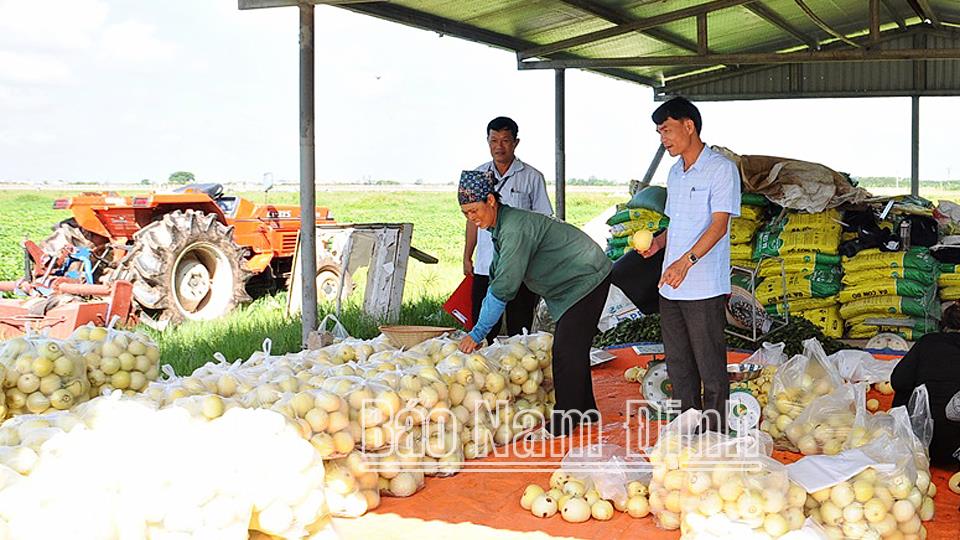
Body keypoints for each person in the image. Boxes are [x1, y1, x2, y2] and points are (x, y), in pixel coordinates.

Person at [456, 170, 611, 437]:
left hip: (585, 277)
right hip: (571, 283)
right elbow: (496, 274)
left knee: (565, 351)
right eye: (466, 214)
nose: (472, 218)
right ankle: (586, 411)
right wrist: (478, 327)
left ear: (491, 201)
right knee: (573, 346)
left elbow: (503, 287)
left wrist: (478, 332)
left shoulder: (514, 228)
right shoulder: (501, 227)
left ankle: (566, 419)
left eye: (474, 210)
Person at [644, 97, 740, 432]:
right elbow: (678, 223)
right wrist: (659, 243)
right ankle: (688, 429)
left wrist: (687, 263)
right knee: (679, 364)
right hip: (670, 286)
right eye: (659, 132)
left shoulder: (721, 169)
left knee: (710, 366)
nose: (663, 138)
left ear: (689, 126)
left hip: (703, 286)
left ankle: (713, 434)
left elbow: (718, 225)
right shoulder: (675, 173)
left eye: (667, 129)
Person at [463, 116, 553, 344]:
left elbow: (543, 223)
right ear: (488, 142)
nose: (499, 147)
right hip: (486, 264)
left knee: (519, 327)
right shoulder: (477, 176)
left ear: (516, 142)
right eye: (494, 141)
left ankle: (518, 372)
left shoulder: (531, 177)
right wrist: (467, 255)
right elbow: (471, 220)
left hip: (521, 266)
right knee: (482, 325)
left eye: (505, 141)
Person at [891, 303, 960, 468]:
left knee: (906, 386)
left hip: (921, 449)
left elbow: (898, 381)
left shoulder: (928, 342)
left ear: (943, 325)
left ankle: (907, 442)